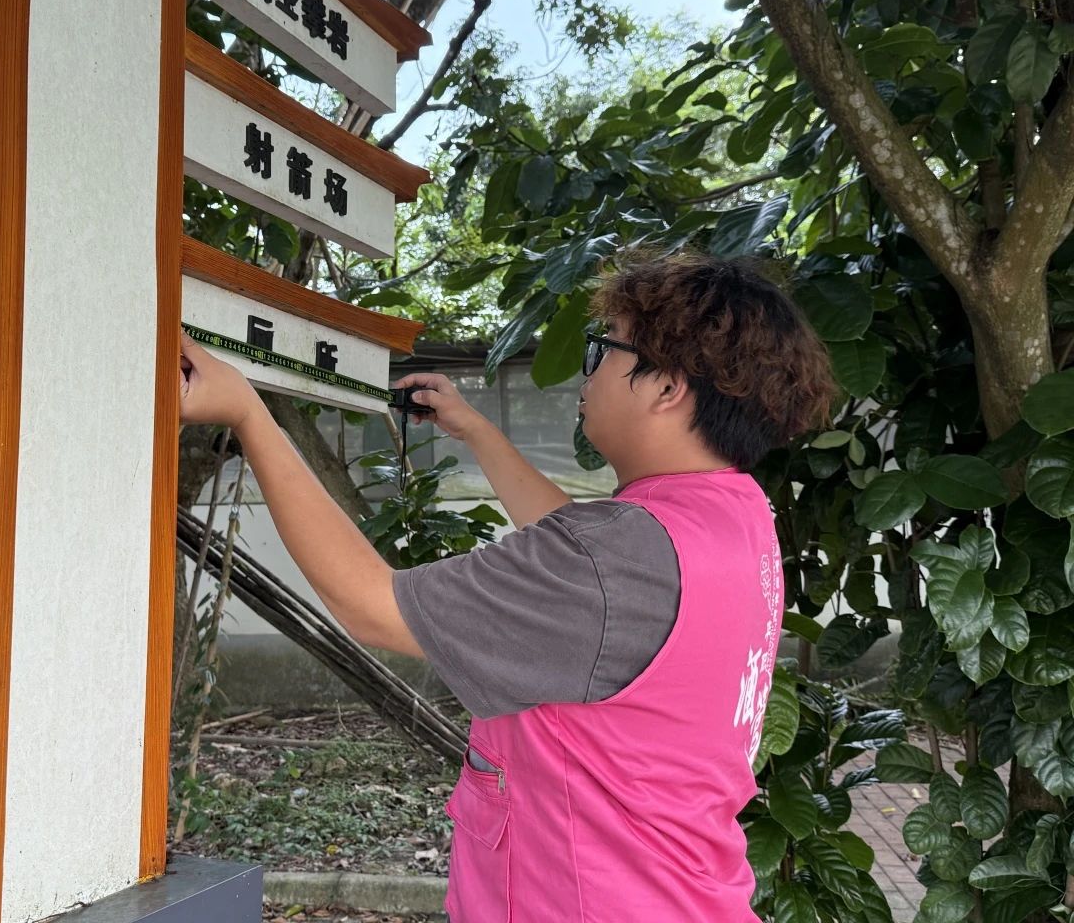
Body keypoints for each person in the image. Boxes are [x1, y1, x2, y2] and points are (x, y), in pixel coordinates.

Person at [178, 248, 835, 922]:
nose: (586, 374)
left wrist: (250, 416)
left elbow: (374, 608)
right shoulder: (733, 514)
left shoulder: (615, 560)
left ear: (667, 387)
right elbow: (590, 562)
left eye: (603, 350)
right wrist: (477, 431)